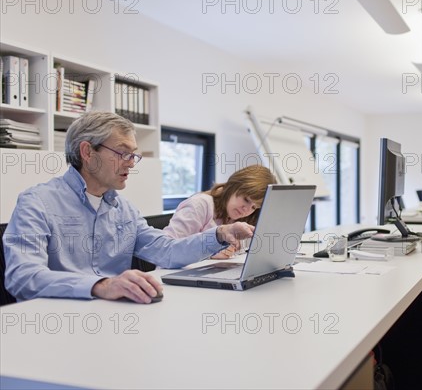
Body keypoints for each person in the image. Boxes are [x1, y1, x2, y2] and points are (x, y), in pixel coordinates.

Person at [3, 112, 253, 304]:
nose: (131, 163)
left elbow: (167, 252)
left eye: (134, 155)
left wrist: (219, 235)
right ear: (88, 152)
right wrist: (100, 285)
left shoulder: (123, 209)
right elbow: (23, 277)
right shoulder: (36, 202)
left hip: (116, 316)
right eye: (123, 153)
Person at [163, 165, 277, 259]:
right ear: (233, 186)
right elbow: (165, 250)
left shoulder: (239, 217)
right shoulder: (199, 205)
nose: (246, 210)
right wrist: (209, 253)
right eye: (246, 199)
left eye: (254, 207)